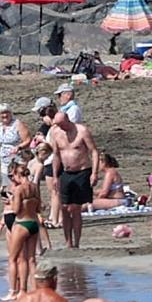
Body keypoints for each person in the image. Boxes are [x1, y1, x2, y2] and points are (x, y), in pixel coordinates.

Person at [46, 106, 96, 251]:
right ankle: (68, 242)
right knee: (64, 208)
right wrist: (55, 176)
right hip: (65, 172)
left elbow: (93, 151)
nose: (61, 127)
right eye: (58, 125)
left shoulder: (82, 131)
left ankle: (77, 242)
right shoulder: (56, 132)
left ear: (68, 120)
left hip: (82, 171)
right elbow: (56, 155)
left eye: (62, 124)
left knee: (75, 208)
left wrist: (94, 173)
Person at [1, 162, 42, 300]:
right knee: (31, 259)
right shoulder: (35, 187)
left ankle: (13, 291)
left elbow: (16, 210)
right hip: (33, 223)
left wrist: (11, 200)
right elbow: (38, 208)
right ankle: (32, 289)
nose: (14, 179)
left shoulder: (19, 190)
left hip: (21, 223)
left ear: (19, 175)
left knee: (13, 259)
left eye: (14, 176)